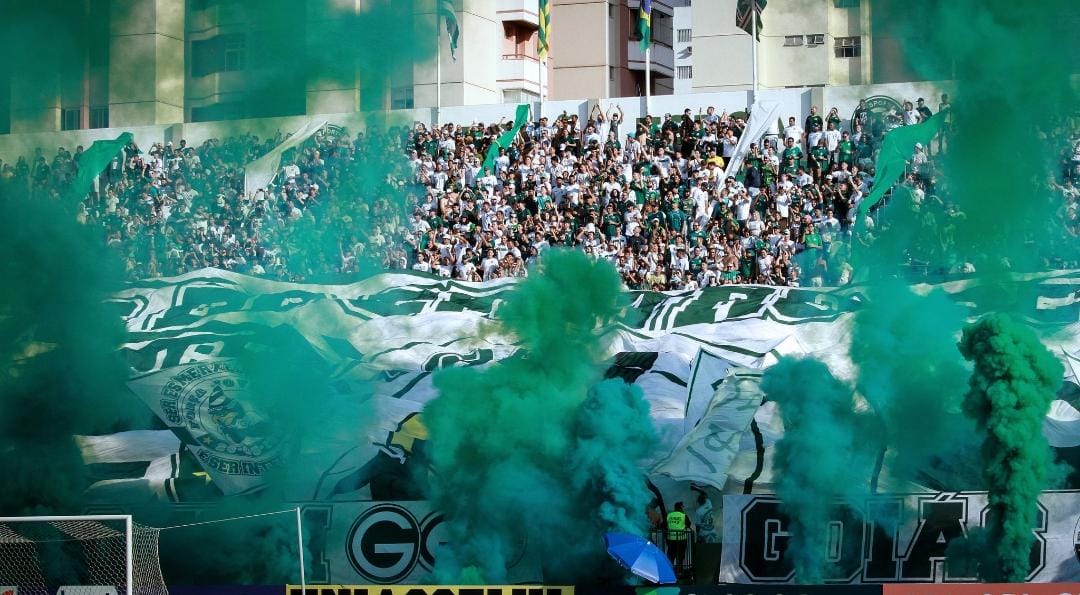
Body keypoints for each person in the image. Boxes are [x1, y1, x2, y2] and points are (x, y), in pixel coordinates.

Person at [666, 501, 693, 569]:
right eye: (683, 507)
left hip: (671, 539)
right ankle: (679, 571)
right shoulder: (683, 515)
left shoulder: (669, 515)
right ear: (681, 507)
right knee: (680, 556)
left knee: (671, 556)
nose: (683, 508)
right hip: (681, 539)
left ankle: (670, 571)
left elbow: (665, 524)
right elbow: (689, 524)